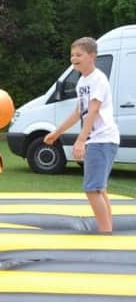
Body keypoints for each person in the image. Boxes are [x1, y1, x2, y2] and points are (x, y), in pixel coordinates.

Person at [44, 37, 120, 234]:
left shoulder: (98, 79)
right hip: (100, 140)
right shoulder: (82, 82)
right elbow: (79, 111)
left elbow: (93, 110)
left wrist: (80, 140)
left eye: (79, 55)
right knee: (99, 189)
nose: (74, 58)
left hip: (102, 139)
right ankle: (108, 229)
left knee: (92, 189)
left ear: (92, 56)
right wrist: (57, 132)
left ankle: (105, 233)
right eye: (72, 55)